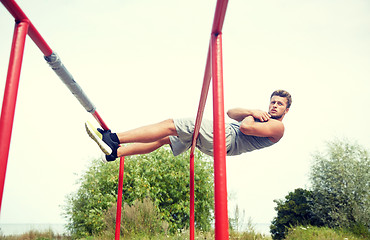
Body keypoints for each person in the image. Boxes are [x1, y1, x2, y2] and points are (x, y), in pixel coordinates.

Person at [85, 90, 292, 162]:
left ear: (286, 110)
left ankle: (114, 139)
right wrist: (252, 111)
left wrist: (252, 115)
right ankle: (116, 153)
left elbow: (245, 127)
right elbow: (231, 112)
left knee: (170, 125)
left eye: (279, 104)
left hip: (225, 137)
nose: (274, 106)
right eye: (272, 102)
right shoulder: (260, 117)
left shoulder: (277, 128)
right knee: (166, 139)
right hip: (221, 143)